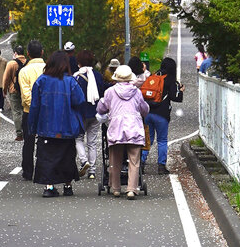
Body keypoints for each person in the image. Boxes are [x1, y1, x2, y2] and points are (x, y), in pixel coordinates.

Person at [28, 50, 86, 197]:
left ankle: (49, 187)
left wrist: (32, 127)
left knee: (47, 157)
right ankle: (67, 186)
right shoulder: (70, 81)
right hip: (67, 126)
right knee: (67, 156)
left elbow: (34, 106)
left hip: (46, 127)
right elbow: (79, 100)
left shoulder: (41, 81)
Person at [96, 65, 149, 199]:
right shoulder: (136, 92)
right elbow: (144, 109)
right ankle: (131, 189)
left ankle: (116, 188)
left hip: (116, 128)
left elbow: (101, 108)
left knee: (114, 159)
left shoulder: (110, 92)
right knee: (134, 160)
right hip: (133, 128)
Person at [142, 56, 184, 176]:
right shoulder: (170, 80)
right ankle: (161, 166)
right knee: (162, 140)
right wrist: (180, 90)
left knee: (147, 139)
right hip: (161, 115)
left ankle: (141, 163)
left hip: (148, 113)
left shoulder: (153, 77)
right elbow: (177, 97)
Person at [74, 49, 108, 180]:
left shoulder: (77, 77)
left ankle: (83, 161)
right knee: (92, 142)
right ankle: (92, 171)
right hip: (95, 113)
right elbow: (103, 91)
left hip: (81, 113)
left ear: (79, 63)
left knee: (78, 138)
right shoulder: (98, 76)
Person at [18, 40, 46, 180]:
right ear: (42, 52)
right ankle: (44, 170)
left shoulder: (24, 71)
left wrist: (34, 106)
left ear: (28, 54)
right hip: (47, 112)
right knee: (46, 141)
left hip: (29, 112)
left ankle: (28, 171)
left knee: (28, 143)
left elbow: (25, 94)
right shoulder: (49, 68)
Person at [3, 45, 27, 144]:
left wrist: (4, 90)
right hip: (25, 90)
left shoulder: (11, 63)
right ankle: (27, 132)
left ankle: (19, 134)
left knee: (17, 112)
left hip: (14, 90)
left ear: (15, 53)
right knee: (25, 111)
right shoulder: (27, 62)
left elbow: (6, 78)